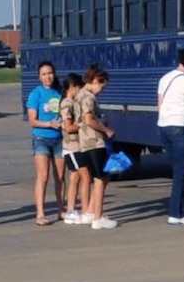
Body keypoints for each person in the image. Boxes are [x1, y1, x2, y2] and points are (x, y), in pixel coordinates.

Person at [157, 47, 184, 225]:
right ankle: (176, 212)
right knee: (181, 171)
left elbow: (160, 105)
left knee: (179, 169)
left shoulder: (165, 78)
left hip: (164, 126)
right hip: (181, 125)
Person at [73, 67, 118, 230]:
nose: (102, 90)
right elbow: (89, 119)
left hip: (84, 143)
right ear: (96, 80)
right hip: (93, 141)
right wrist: (106, 130)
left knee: (100, 177)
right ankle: (98, 217)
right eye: (102, 86)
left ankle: (91, 211)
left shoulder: (79, 95)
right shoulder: (88, 97)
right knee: (99, 179)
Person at [26, 61, 66, 226]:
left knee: (61, 176)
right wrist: (49, 124)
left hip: (59, 138)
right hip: (41, 138)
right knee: (43, 176)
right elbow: (32, 120)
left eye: (50, 73)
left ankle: (61, 210)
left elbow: (66, 111)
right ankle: (40, 213)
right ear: (39, 77)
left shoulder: (59, 93)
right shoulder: (36, 94)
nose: (48, 77)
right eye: (44, 74)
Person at [58, 72, 89, 224]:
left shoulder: (71, 103)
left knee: (75, 177)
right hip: (73, 146)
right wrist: (83, 125)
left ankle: (71, 210)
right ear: (72, 87)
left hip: (75, 146)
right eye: (79, 88)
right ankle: (84, 209)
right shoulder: (67, 104)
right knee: (85, 176)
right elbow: (69, 127)